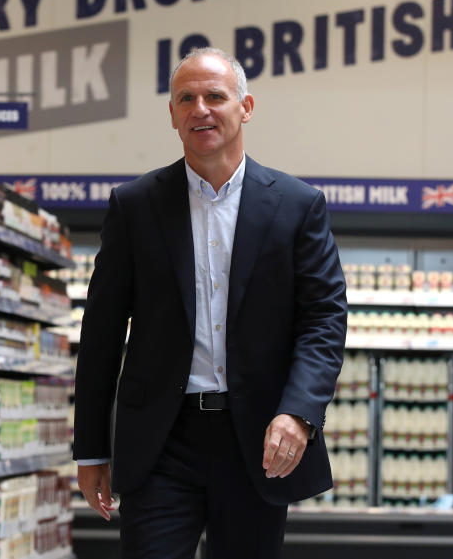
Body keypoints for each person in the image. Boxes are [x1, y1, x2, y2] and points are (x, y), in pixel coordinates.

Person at [73, 47, 347, 558]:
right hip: (160, 441)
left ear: (245, 106)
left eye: (215, 96)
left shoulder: (297, 206)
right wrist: (90, 449)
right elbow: (102, 334)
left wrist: (300, 413)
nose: (200, 108)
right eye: (186, 98)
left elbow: (324, 319)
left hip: (258, 440)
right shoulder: (134, 207)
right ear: (173, 114)